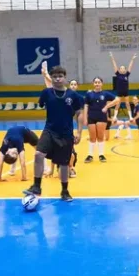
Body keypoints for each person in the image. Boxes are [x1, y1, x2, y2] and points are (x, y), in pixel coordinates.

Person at [24, 65, 83, 201]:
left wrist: (79, 132)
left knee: (64, 164)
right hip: (49, 131)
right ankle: (37, 186)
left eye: (60, 76)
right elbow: (42, 103)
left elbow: (79, 113)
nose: (57, 79)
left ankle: (64, 191)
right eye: (54, 77)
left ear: (65, 78)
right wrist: (45, 76)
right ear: (51, 78)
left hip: (66, 134)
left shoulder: (73, 95)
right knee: (39, 154)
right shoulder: (46, 93)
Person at [83, 77, 119, 163]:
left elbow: (117, 99)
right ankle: (90, 155)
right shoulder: (89, 94)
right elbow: (86, 106)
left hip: (101, 117)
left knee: (100, 137)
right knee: (92, 137)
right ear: (93, 84)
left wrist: (106, 106)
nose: (97, 84)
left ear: (102, 84)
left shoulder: (105, 93)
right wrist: (85, 118)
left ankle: (101, 155)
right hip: (91, 117)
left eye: (99, 82)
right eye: (95, 82)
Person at [109, 52, 137, 122]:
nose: (122, 69)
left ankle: (130, 117)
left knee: (127, 104)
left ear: (125, 69)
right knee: (117, 104)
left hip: (125, 92)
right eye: (121, 68)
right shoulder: (118, 74)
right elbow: (114, 65)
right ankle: (115, 116)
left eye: (123, 68)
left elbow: (130, 66)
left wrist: (132, 59)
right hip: (119, 92)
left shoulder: (127, 74)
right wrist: (112, 57)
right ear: (119, 70)